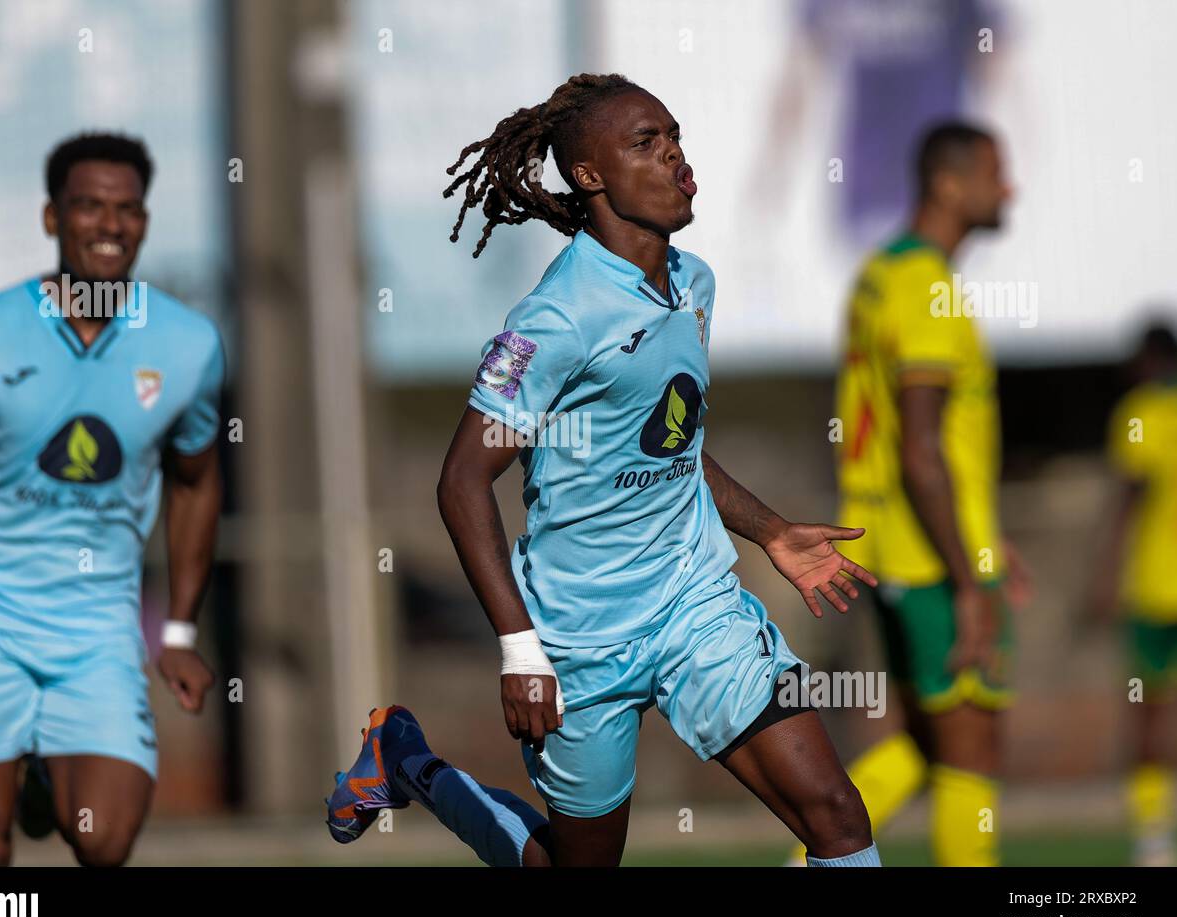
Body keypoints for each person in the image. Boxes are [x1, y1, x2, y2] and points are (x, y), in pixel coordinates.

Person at [328, 73, 880, 867]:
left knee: (837, 815)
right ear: (590, 176)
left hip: (697, 606)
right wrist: (520, 650)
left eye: (676, 137)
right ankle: (407, 760)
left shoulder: (693, 284)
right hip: (580, 637)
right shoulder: (557, 317)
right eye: (646, 144)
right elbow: (460, 482)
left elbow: (670, 442)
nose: (677, 159)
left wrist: (770, 532)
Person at [0, 132, 225, 866]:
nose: (109, 224)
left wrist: (177, 633)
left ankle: (46, 769)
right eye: (88, 206)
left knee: (102, 841)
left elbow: (197, 481)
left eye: (127, 210)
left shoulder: (187, 345)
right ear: (52, 218)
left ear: (143, 222)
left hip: (97, 621)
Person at [803, 121, 1027, 867]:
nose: (1010, 189)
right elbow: (922, 447)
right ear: (949, 183)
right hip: (933, 559)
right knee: (973, 752)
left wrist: (992, 537)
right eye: (997, 172)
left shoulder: (881, 273)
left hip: (898, 546)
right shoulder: (926, 285)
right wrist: (968, 578)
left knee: (926, 742)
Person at [1090, 321, 1177, 866]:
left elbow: (1129, 498)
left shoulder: (1141, 412)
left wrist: (1104, 574)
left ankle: (1154, 837)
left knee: (1148, 713)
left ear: (1148, 360)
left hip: (1155, 586)